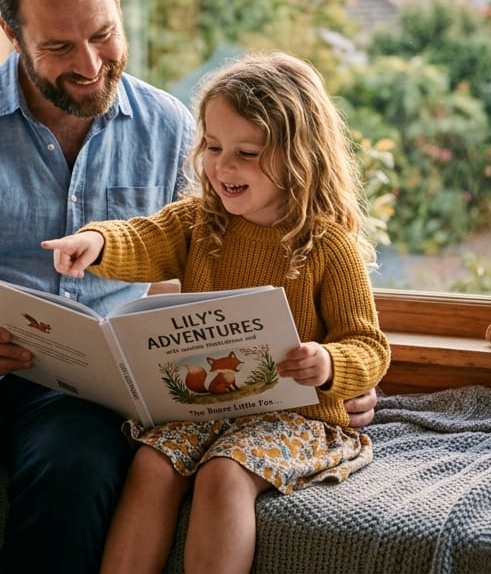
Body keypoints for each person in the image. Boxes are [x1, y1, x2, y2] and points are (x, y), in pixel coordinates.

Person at [0, 0, 378, 573]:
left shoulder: (172, 129)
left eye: (103, 35)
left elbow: (220, 262)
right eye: (60, 47)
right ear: (12, 33)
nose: (90, 64)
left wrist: (328, 376)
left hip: (83, 386)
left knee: (78, 476)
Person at [43, 51, 391, 574]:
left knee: (224, 473)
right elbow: (144, 236)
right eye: (212, 146)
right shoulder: (200, 222)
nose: (223, 166)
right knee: (153, 462)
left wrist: (328, 363)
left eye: (247, 152)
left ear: (300, 158)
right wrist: (95, 240)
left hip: (296, 418)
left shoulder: (326, 246)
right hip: (208, 407)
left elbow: (368, 345)